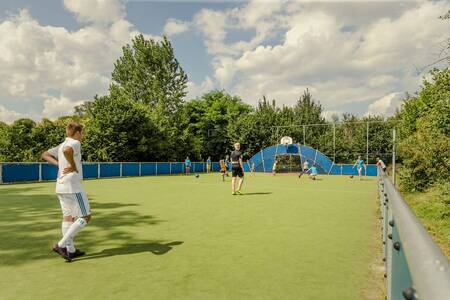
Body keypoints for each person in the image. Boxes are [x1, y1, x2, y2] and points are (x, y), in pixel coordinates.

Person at [41, 122, 91, 262]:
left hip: (61, 185)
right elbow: (67, 151)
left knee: (68, 217)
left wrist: (60, 164)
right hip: (72, 185)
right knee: (86, 216)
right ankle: (61, 245)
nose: (83, 135)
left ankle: (71, 251)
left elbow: (44, 154)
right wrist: (73, 165)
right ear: (77, 133)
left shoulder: (62, 144)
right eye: (82, 133)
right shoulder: (74, 143)